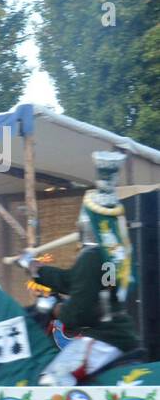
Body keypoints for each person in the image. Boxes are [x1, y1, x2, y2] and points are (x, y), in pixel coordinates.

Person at [17, 151, 142, 385]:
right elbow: (73, 281)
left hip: (104, 338)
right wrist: (35, 269)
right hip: (117, 331)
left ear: (86, 225)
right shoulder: (111, 254)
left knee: (51, 382)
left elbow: (78, 312)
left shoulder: (92, 256)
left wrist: (56, 310)